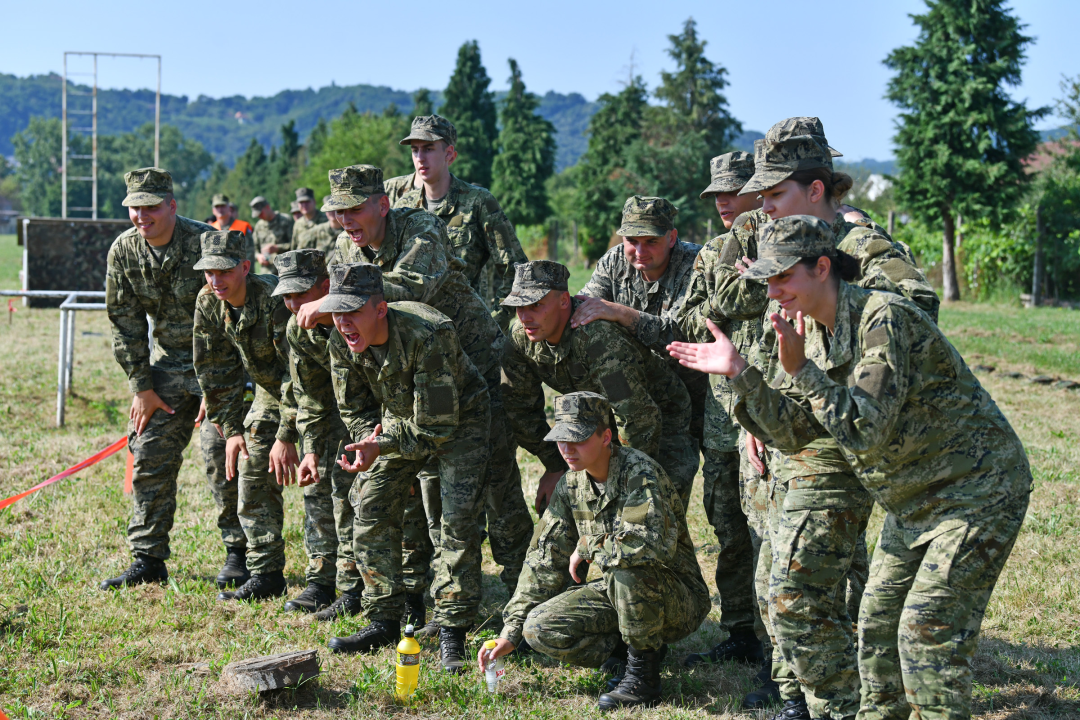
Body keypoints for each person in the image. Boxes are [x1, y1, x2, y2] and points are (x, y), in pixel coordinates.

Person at [669, 214, 1031, 720]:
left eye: (783, 277)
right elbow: (797, 433)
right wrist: (742, 373)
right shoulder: (810, 333)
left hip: (977, 491)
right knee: (878, 637)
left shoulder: (884, 318)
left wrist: (801, 373)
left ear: (822, 267)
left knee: (926, 637)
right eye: (767, 280)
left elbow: (863, 429)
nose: (773, 292)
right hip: (912, 500)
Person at [303, 165, 530, 630]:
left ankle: (524, 598)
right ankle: (416, 599)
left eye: (354, 209)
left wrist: (334, 301)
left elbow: (409, 291)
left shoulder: (420, 226)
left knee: (495, 486)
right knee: (421, 491)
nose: (345, 221)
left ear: (381, 204)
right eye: (338, 212)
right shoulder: (348, 246)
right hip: (407, 372)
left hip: (473, 363)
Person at [480, 391, 710, 711]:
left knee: (627, 565)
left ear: (606, 437)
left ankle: (643, 677)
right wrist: (512, 631)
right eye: (562, 439)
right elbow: (542, 559)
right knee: (539, 629)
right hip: (621, 593)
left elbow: (646, 546)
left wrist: (589, 545)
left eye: (578, 438)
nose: (567, 449)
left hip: (675, 597)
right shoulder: (571, 485)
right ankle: (630, 651)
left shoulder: (640, 474)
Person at [319, 263, 490, 674]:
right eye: (336, 312)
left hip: (458, 423)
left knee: (455, 520)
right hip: (396, 426)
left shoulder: (428, 333)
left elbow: (437, 426)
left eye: (352, 311)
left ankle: (453, 630)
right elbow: (355, 408)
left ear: (381, 309)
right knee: (370, 503)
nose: (343, 322)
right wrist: (366, 443)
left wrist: (380, 442)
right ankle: (384, 619)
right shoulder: (341, 341)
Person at [101, 168, 247, 593]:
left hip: (217, 365)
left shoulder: (205, 242)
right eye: (134, 207)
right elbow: (124, 323)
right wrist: (141, 388)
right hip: (165, 369)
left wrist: (219, 388)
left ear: (171, 206)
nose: (141, 216)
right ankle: (147, 557)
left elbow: (233, 313)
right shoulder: (124, 251)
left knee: (221, 452)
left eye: (150, 207)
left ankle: (239, 553)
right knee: (147, 450)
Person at [500, 260, 698, 511]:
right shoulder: (521, 338)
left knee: (653, 513)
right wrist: (554, 466)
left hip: (658, 422)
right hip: (598, 429)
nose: (525, 316)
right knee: (583, 517)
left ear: (563, 301)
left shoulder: (597, 339)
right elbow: (519, 409)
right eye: (518, 306)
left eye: (536, 305)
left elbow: (637, 417)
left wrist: (624, 482)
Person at [676, 152, 769, 673]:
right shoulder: (712, 253)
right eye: (717, 195)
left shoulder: (787, 244)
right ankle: (740, 630)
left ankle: (784, 638)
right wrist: (725, 302)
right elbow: (690, 316)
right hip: (722, 414)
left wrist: (747, 285)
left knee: (773, 529)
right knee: (729, 526)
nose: (724, 202)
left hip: (776, 405)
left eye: (734, 190)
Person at [192, 230, 300, 603]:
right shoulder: (208, 302)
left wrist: (286, 435)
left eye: (223, 271)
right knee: (242, 461)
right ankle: (266, 573)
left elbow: (296, 373)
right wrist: (233, 429)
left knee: (310, 480)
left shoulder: (273, 301)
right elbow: (213, 369)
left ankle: (334, 575)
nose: (215, 280)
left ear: (244, 267)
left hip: (306, 388)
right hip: (266, 390)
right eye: (208, 272)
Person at [572, 195, 706, 447]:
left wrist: (622, 313)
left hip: (699, 390)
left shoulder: (696, 264)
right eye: (631, 241)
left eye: (651, 242)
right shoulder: (614, 262)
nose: (640, 251)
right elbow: (584, 308)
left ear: (672, 237)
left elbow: (681, 335)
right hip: (639, 390)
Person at [275, 249, 365, 620]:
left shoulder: (354, 319)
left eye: (301, 293)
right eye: (287, 295)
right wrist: (308, 449)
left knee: (353, 497)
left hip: (371, 415)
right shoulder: (297, 328)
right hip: (330, 415)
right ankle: (320, 580)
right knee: (316, 489)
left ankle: (356, 585)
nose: (293, 303)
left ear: (326, 287)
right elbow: (307, 394)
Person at [385, 114, 528, 330]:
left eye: (429, 148)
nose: (420, 157)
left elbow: (514, 269)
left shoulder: (478, 202)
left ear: (449, 154)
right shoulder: (403, 207)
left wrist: (493, 322)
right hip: (414, 333)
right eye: (415, 150)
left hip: (466, 335)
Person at [294, 196, 343, 264]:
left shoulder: (349, 231)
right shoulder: (317, 230)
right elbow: (299, 250)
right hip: (321, 272)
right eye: (329, 209)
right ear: (325, 212)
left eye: (335, 208)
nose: (332, 212)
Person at [251, 196, 294, 273]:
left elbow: (295, 245)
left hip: (286, 270)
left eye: (261, 213)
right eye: (257, 215)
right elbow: (253, 248)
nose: (259, 216)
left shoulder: (286, 220)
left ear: (267, 207)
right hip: (267, 273)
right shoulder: (259, 226)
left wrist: (277, 248)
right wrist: (258, 256)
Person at [211, 193, 255, 263]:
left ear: (229, 208)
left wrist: (247, 272)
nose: (220, 209)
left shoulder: (243, 226)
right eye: (217, 206)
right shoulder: (210, 229)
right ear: (213, 210)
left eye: (223, 206)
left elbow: (249, 253)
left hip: (239, 271)